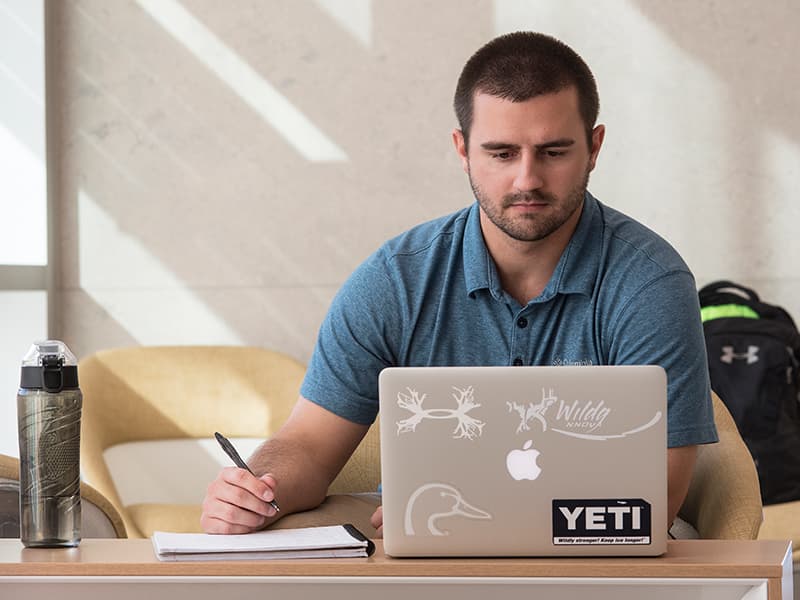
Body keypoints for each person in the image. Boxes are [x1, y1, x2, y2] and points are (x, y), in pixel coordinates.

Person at [201, 31, 718, 536]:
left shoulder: (651, 283)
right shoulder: (395, 280)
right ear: (462, 149)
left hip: (590, 552)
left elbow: (657, 494)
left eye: (554, 152)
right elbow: (309, 446)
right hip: (425, 547)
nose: (527, 180)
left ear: (595, 146)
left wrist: (486, 514)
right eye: (501, 153)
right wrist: (256, 489)